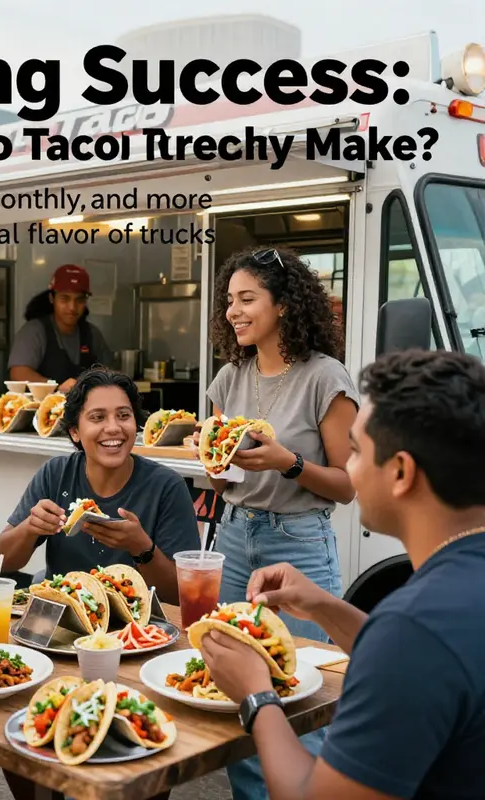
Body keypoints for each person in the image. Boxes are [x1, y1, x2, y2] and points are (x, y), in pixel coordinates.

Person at [200, 349, 485, 800]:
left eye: (355, 451)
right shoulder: (445, 605)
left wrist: (256, 696)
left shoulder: (413, 627)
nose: (348, 467)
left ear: (401, 471)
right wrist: (326, 607)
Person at [200, 246, 360, 800]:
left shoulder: (324, 377)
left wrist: (285, 460)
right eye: (230, 302)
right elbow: (219, 479)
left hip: (301, 541)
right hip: (235, 534)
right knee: (243, 690)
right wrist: (212, 461)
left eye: (247, 300)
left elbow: (347, 482)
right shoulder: (229, 377)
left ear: (284, 306)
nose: (233, 313)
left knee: (307, 693)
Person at [0, 367, 200, 603]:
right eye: (97, 417)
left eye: (123, 415)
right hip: (62, 616)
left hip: (138, 628)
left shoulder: (167, 486)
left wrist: (142, 548)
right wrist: (31, 527)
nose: (113, 427)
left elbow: (181, 596)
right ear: (74, 432)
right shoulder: (56, 474)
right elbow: (4, 562)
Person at [8, 264, 114, 393]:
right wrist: (56, 388)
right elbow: (19, 373)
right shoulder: (35, 331)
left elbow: (108, 371)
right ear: (52, 298)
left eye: (79, 300)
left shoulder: (92, 333)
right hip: (42, 409)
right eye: (65, 299)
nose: (72, 307)